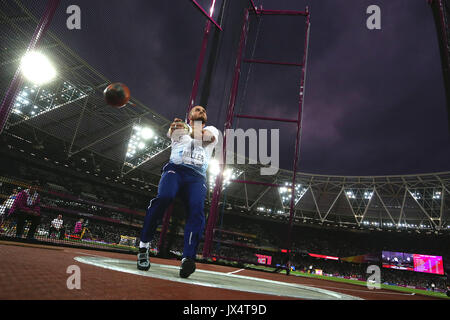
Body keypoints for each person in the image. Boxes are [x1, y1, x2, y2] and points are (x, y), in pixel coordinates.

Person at [137, 105, 219, 278]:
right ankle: (144, 247)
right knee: (165, 197)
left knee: (196, 209)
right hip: (175, 170)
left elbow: (203, 137)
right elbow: (173, 130)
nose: (202, 111)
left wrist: (187, 128)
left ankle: (188, 258)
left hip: (196, 177)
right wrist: (180, 127)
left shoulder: (212, 130)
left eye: (204, 110)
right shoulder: (178, 129)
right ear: (189, 115)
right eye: (197, 109)